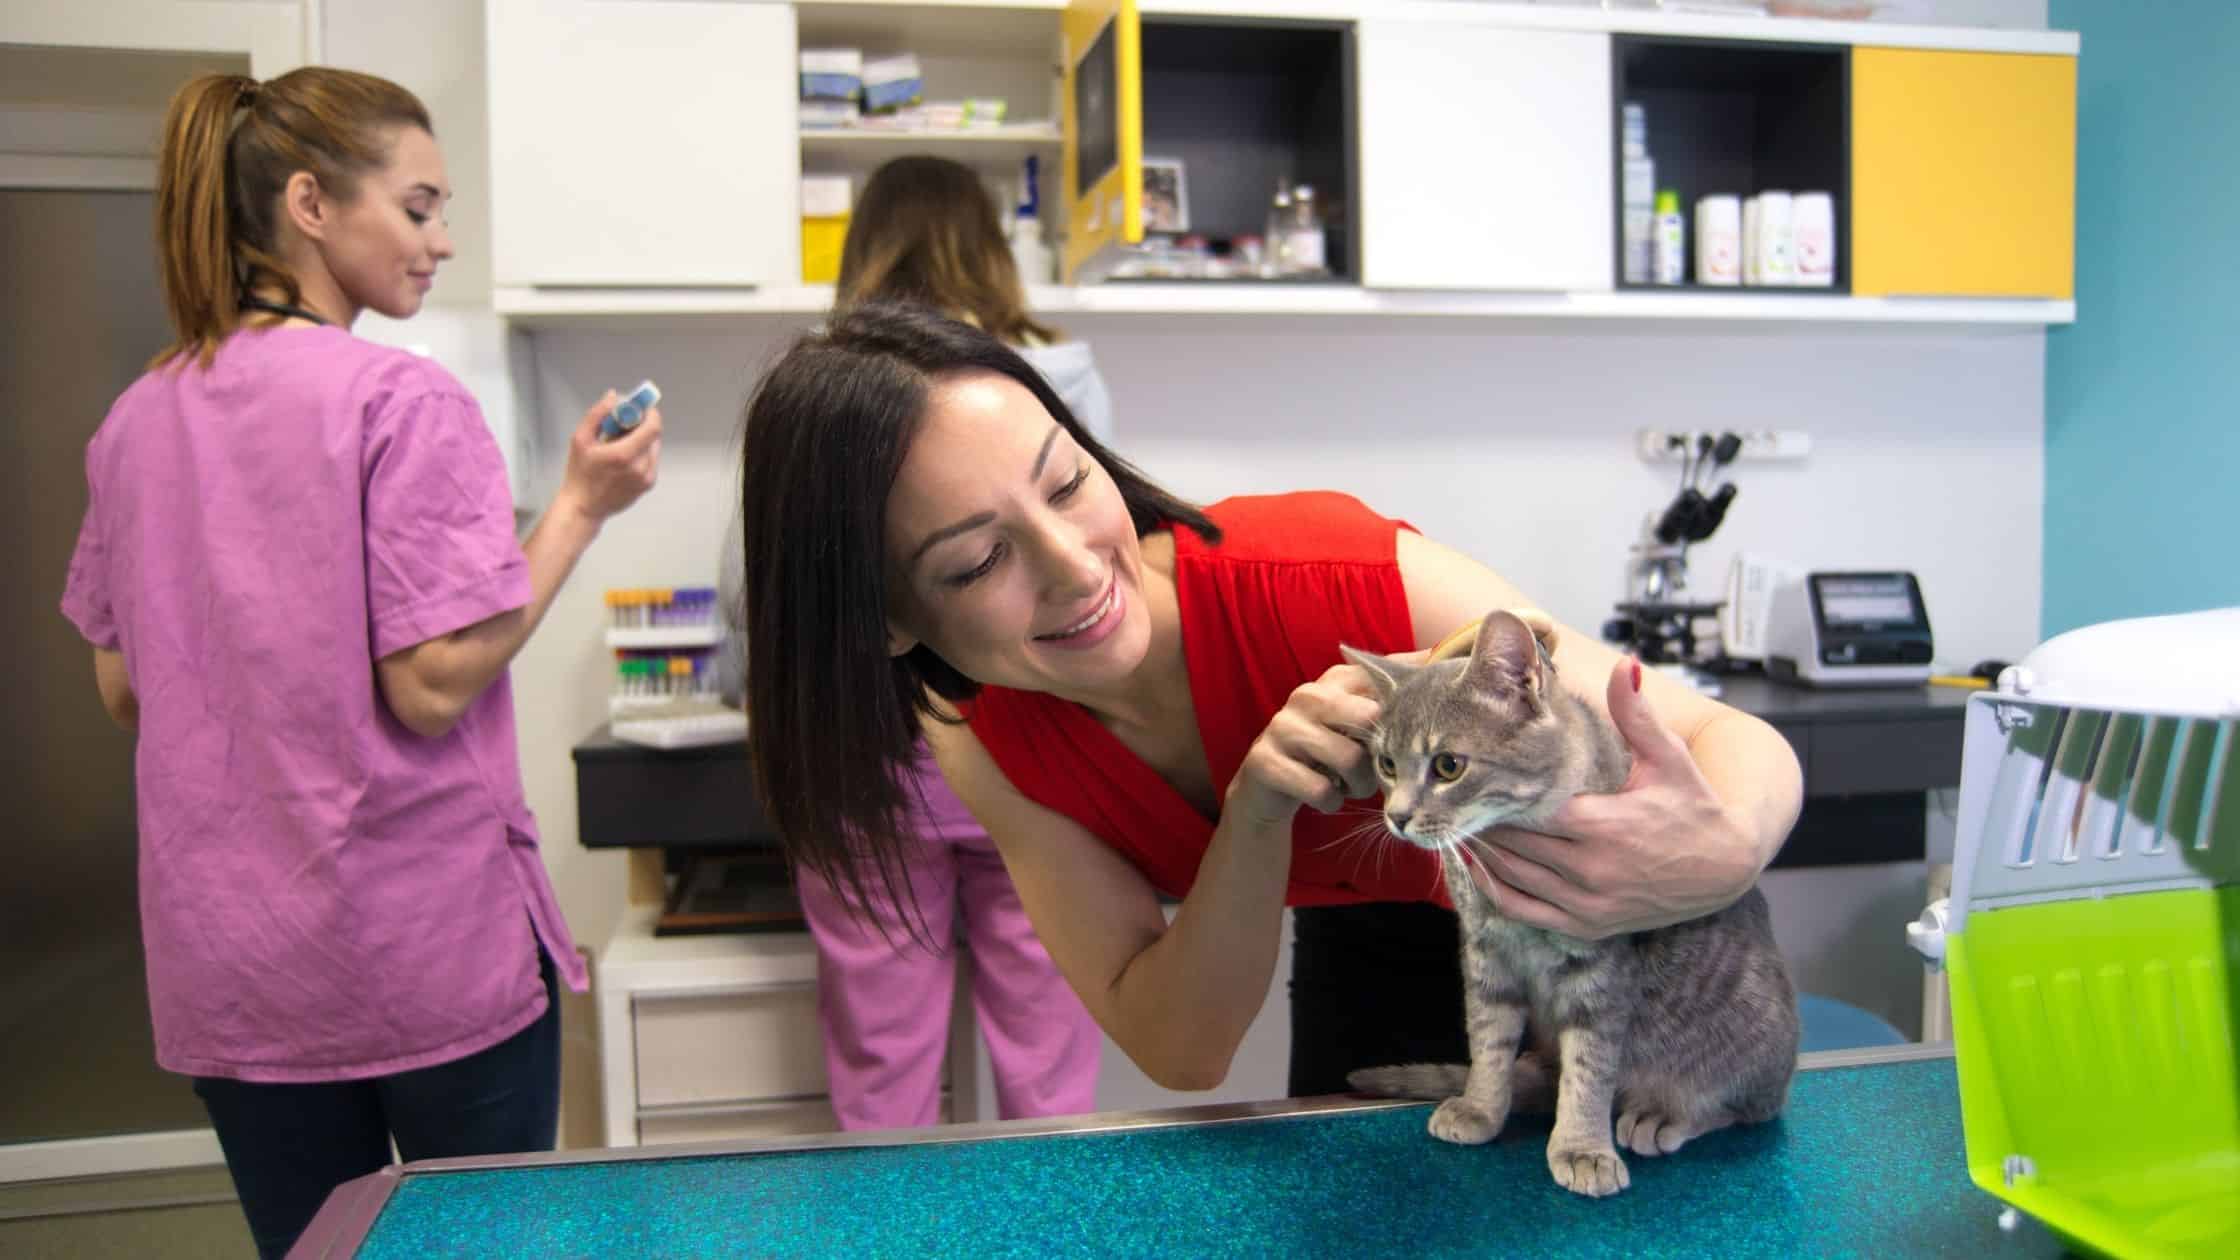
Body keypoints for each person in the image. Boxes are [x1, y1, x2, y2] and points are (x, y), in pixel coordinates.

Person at [735, 300, 1805, 1098]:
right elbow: (1180, 1048)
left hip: (1602, 955)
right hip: (1370, 939)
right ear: (884, 621)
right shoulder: (985, 732)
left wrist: (1717, 851)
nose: (1075, 567)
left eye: (1065, 483)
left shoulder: (1329, 579)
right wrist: (1254, 816)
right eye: (976, 560)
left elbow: (1726, 735)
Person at [58, 68, 660, 1258]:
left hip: (231, 970)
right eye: (421, 206)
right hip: (415, 954)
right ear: (310, 206)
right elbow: (432, 685)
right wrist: (581, 509)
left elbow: (123, 686)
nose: (442, 241)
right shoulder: (399, 397)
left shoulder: (137, 417)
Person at [719, 155, 1103, 1129]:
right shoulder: (1057, 378)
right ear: (990, 248)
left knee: (880, 1074)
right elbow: (1106, 576)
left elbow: (747, 591)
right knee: (1049, 1071)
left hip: (869, 762)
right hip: (1034, 763)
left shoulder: (817, 392)